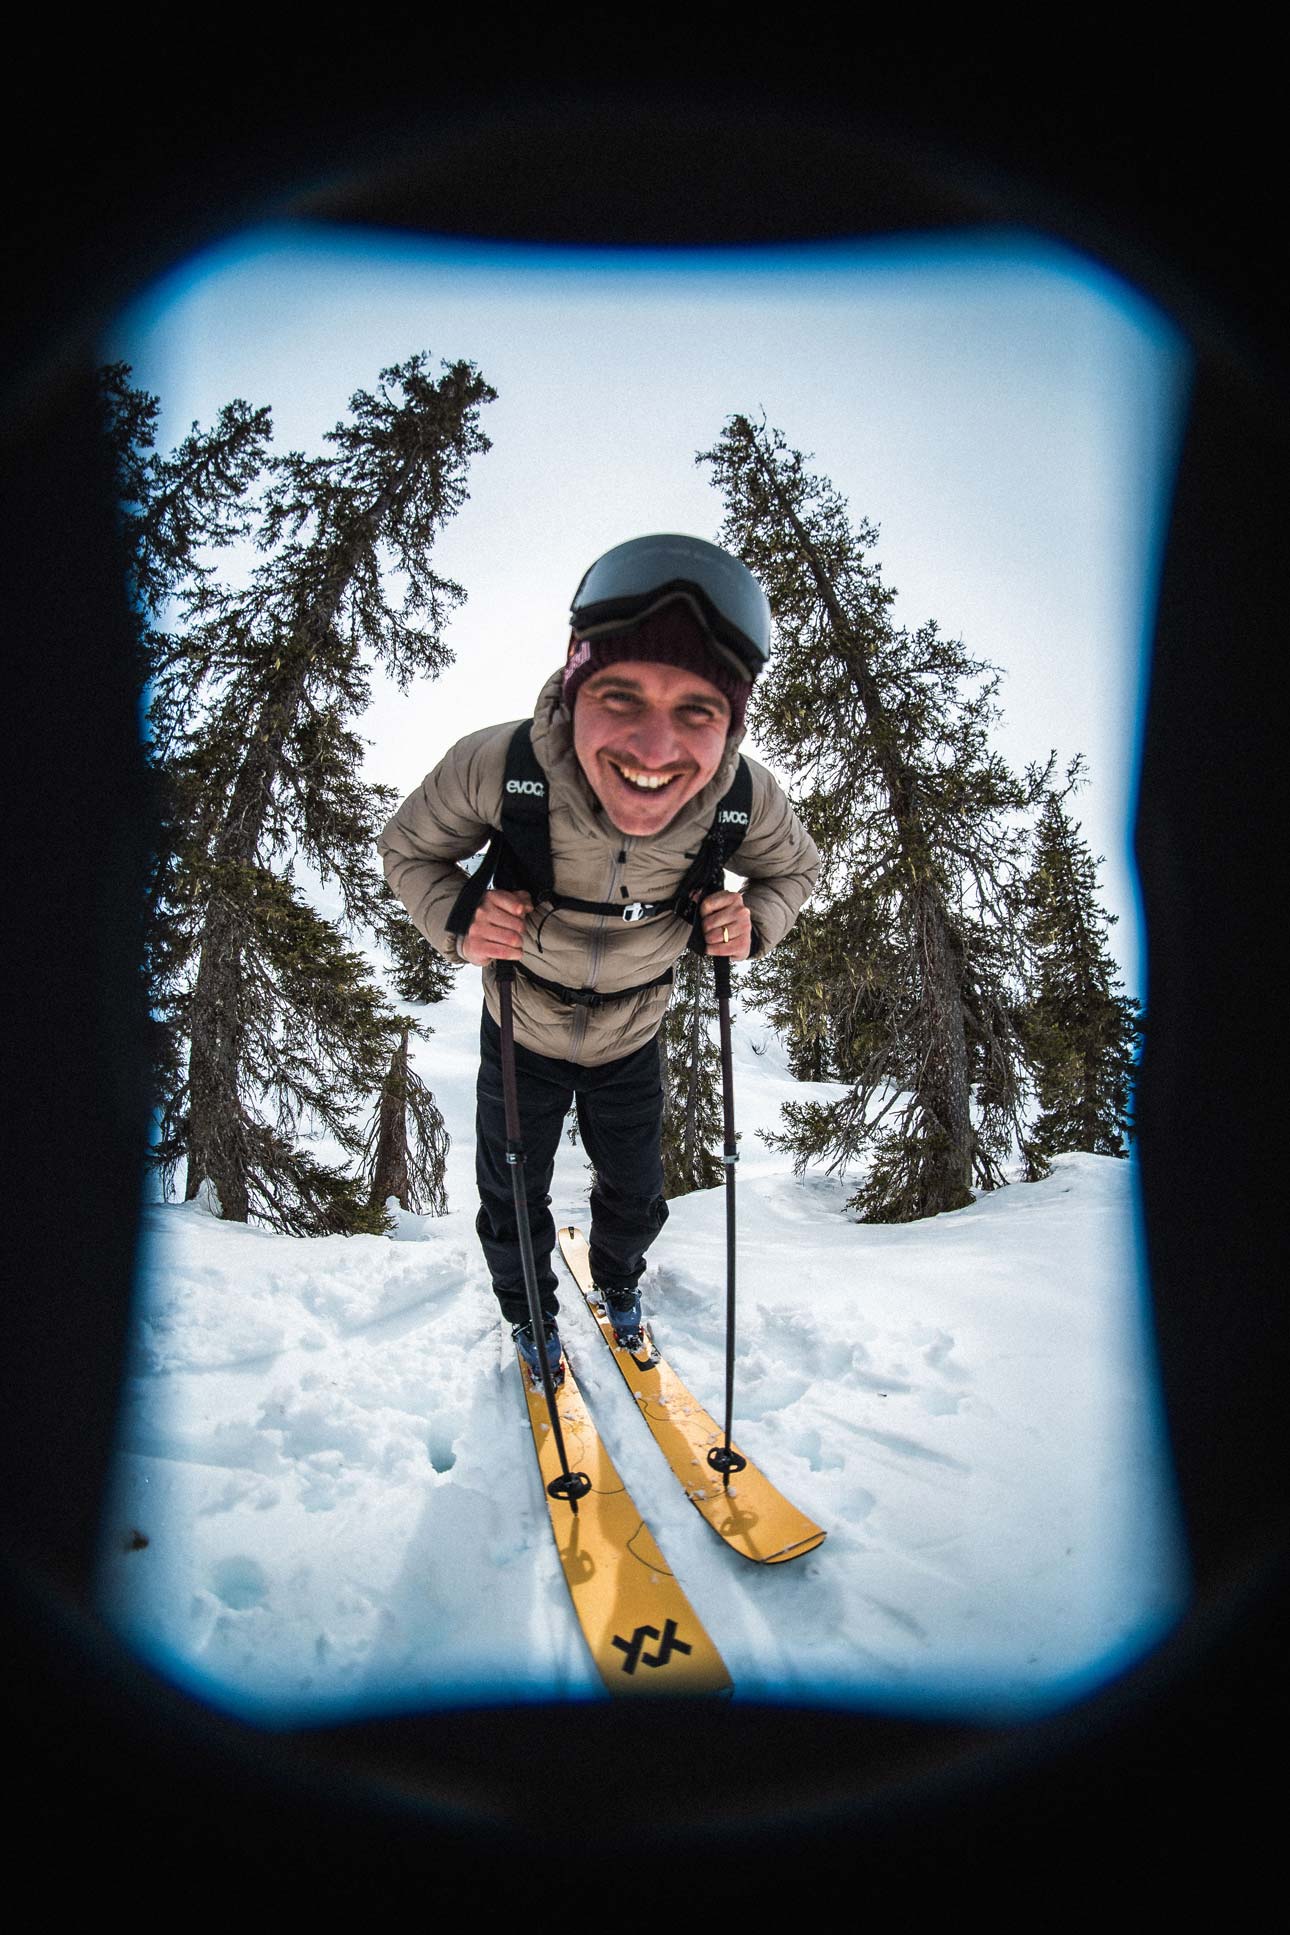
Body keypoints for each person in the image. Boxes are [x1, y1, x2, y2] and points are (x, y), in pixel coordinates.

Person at [378, 535, 820, 1383]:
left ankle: (619, 1281)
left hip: (633, 1035)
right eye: (621, 695)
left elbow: (794, 869)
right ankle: (530, 1315)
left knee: (637, 1192)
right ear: (576, 684)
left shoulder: (743, 797)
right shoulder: (498, 765)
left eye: (698, 710)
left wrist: (753, 920)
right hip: (521, 1026)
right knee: (512, 1196)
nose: (654, 750)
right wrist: (462, 917)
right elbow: (409, 849)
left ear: (732, 722)